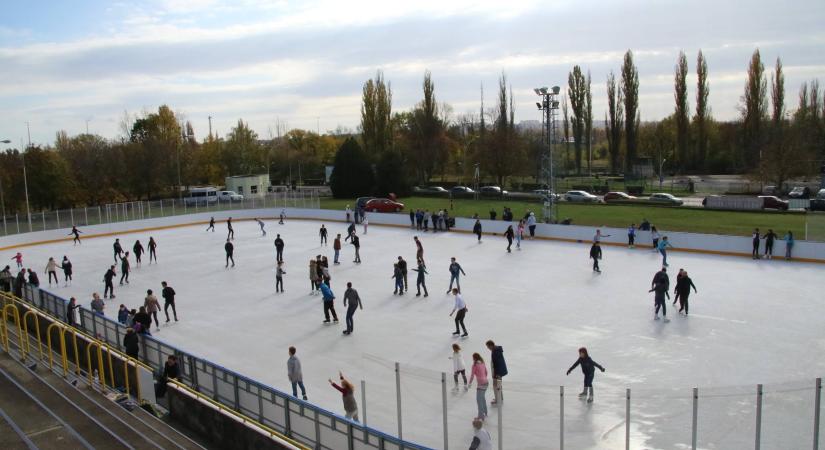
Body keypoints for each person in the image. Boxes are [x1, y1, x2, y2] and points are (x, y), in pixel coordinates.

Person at [467, 353, 488, 420]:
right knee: (482, 398)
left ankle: (481, 416)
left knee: (479, 400)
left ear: (474, 358)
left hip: (481, 384)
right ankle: (485, 412)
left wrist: (469, 383)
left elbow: (472, 375)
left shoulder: (475, 365)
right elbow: (486, 372)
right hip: (486, 383)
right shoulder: (483, 363)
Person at [486, 340, 508, 406]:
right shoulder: (496, 349)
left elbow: (497, 364)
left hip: (498, 372)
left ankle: (498, 399)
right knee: (498, 385)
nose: (488, 348)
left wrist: (496, 374)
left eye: (488, 347)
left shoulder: (495, 352)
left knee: (495, 386)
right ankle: (500, 397)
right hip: (499, 371)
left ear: (491, 345)